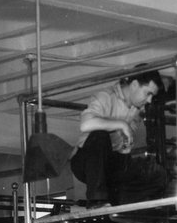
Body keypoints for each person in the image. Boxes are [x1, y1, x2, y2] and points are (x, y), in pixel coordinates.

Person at [70, 68, 171, 205]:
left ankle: (121, 204)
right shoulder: (106, 96)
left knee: (157, 174)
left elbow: (123, 148)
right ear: (134, 84)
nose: (149, 100)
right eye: (148, 93)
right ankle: (97, 201)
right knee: (100, 135)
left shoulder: (136, 109)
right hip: (87, 162)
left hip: (112, 163)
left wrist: (125, 147)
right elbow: (85, 125)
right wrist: (121, 124)